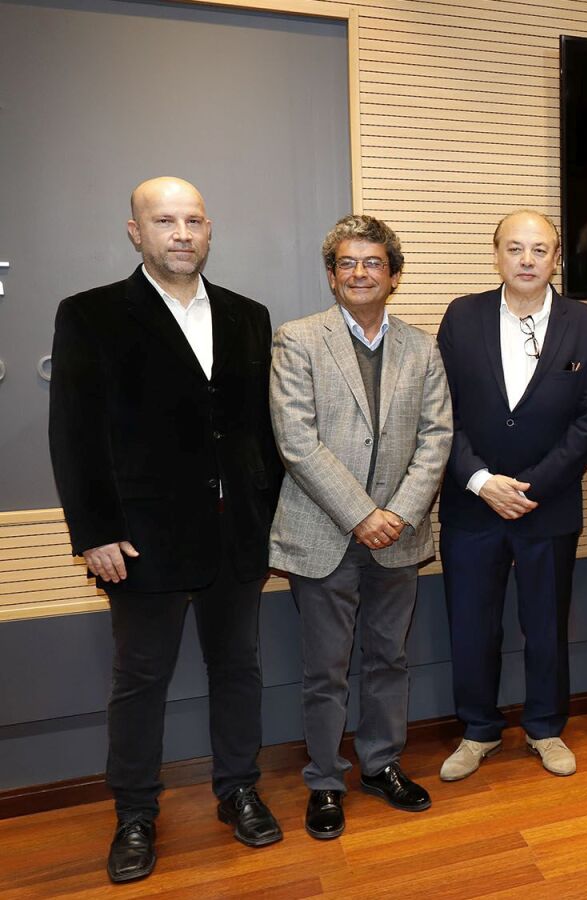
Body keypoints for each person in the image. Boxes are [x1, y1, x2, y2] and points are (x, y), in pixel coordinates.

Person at [48, 177, 285, 883]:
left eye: (193, 221)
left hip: (236, 536)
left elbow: (260, 432)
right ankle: (134, 814)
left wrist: (268, 517)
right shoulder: (90, 314)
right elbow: (75, 433)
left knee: (238, 667)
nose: (181, 234)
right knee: (140, 679)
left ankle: (238, 789)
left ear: (209, 230)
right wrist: (95, 531)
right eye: (164, 221)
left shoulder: (248, 315)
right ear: (136, 231)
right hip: (139, 541)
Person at [268, 214, 452, 839]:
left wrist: (396, 514)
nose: (359, 273)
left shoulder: (422, 348)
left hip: (398, 534)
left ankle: (380, 764)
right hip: (324, 534)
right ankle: (324, 779)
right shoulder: (298, 340)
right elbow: (296, 441)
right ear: (331, 275)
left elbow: (437, 437)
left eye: (373, 262)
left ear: (394, 276)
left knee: (388, 658)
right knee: (326, 669)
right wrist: (362, 514)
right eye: (347, 263)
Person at [434, 210, 587, 781]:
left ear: (556, 258)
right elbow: (440, 411)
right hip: (472, 503)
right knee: (471, 626)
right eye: (515, 248)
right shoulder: (462, 316)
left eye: (539, 250)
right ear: (496, 256)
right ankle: (478, 730)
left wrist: (532, 485)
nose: (527, 260)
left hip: (547, 505)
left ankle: (545, 727)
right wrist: (481, 481)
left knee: (547, 626)